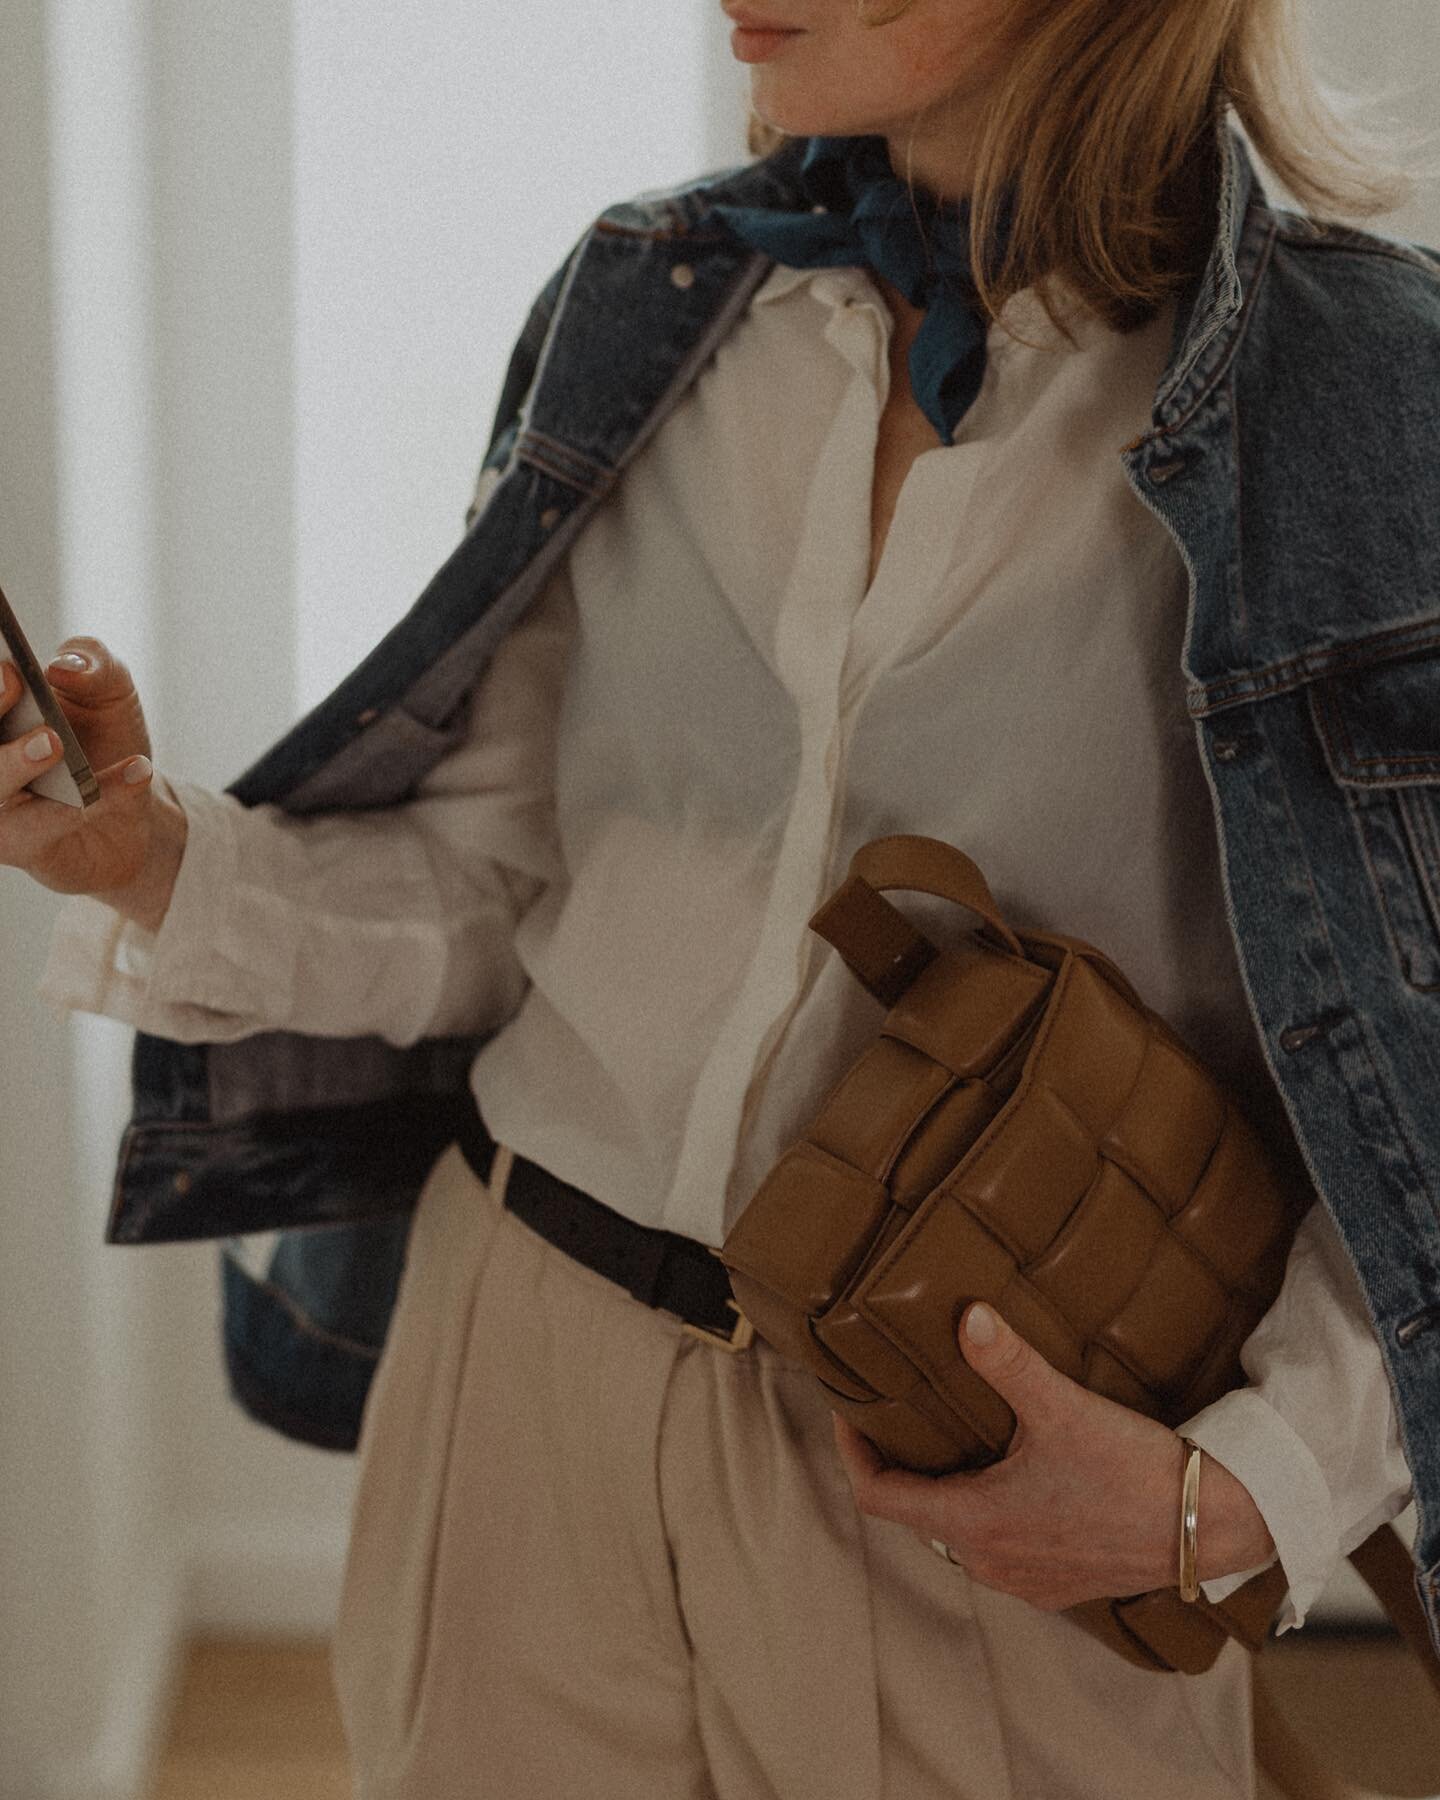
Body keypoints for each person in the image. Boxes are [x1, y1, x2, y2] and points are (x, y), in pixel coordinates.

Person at [6, 0, 1437, 1793]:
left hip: (975, 1463)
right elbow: (500, 887)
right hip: (520, 1377)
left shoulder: (1372, 403)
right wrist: (141, 853)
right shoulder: (654, 301)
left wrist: (1235, 1497)